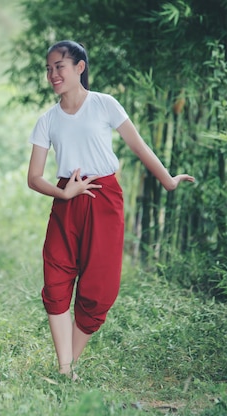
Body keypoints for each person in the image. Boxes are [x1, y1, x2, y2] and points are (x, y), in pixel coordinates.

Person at [26, 40, 194, 380]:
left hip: (104, 198)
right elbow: (33, 177)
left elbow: (138, 145)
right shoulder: (48, 120)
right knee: (56, 279)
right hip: (65, 200)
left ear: (79, 67)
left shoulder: (104, 104)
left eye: (59, 66)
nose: (52, 74)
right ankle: (65, 369)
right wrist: (66, 193)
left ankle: (67, 366)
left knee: (100, 286)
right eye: (48, 69)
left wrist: (168, 181)